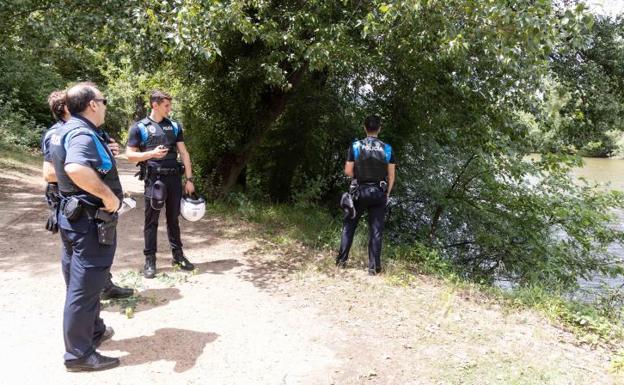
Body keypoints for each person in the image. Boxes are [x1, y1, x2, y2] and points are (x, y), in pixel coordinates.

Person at [50, 82, 122, 371]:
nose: (105, 106)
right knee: (84, 288)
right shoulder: (81, 132)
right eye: (103, 101)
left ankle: (92, 332)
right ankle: (78, 355)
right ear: (92, 104)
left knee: (80, 285)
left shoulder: (65, 129)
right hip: (89, 223)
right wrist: (109, 196)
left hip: (73, 219)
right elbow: (75, 168)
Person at [43, 90, 133, 301]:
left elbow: (100, 160)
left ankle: (102, 289)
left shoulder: (89, 131)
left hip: (88, 205)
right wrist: (88, 173)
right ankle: (82, 305)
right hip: (77, 205)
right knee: (78, 259)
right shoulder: (59, 134)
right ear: (67, 107)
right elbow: (50, 173)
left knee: (93, 255)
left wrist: (109, 150)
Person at [126, 90, 196, 278]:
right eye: (166, 105)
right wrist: (150, 154)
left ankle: (178, 256)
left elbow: (185, 153)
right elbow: (130, 155)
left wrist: (189, 180)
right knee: (151, 221)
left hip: (174, 179)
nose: (169, 108)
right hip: (154, 180)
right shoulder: (139, 127)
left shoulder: (173, 126)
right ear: (154, 105)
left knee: (173, 219)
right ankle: (150, 260)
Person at [336, 115, 396, 275]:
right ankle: (373, 268)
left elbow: (348, 171)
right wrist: (387, 193)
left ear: (364, 127)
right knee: (376, 230)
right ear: (379, 128)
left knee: (349, 226)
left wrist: (359, 175)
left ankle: (341, 262)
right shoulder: (388, 148)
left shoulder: (356, 146)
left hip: (358, 192)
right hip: (378, 193)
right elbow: (391, 176)